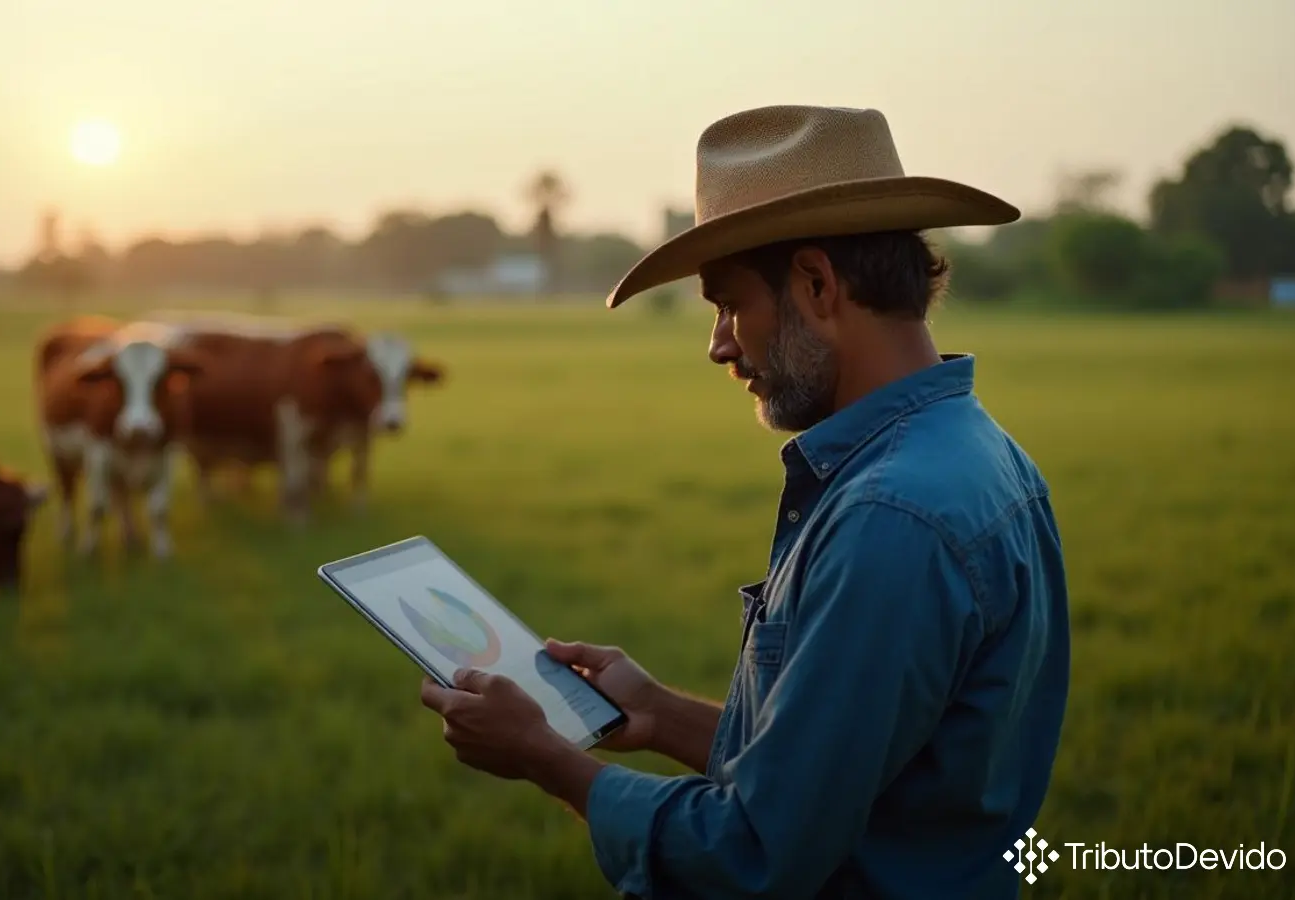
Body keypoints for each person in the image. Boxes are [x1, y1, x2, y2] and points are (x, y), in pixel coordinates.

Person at [418, 104, 1072, 898]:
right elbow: (857, 777)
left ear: (817, 284)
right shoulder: (975, 454)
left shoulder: (890, 519)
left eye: (730, 305)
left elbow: (755, 855)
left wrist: (549, 761)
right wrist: (658, 713)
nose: (720, 343)